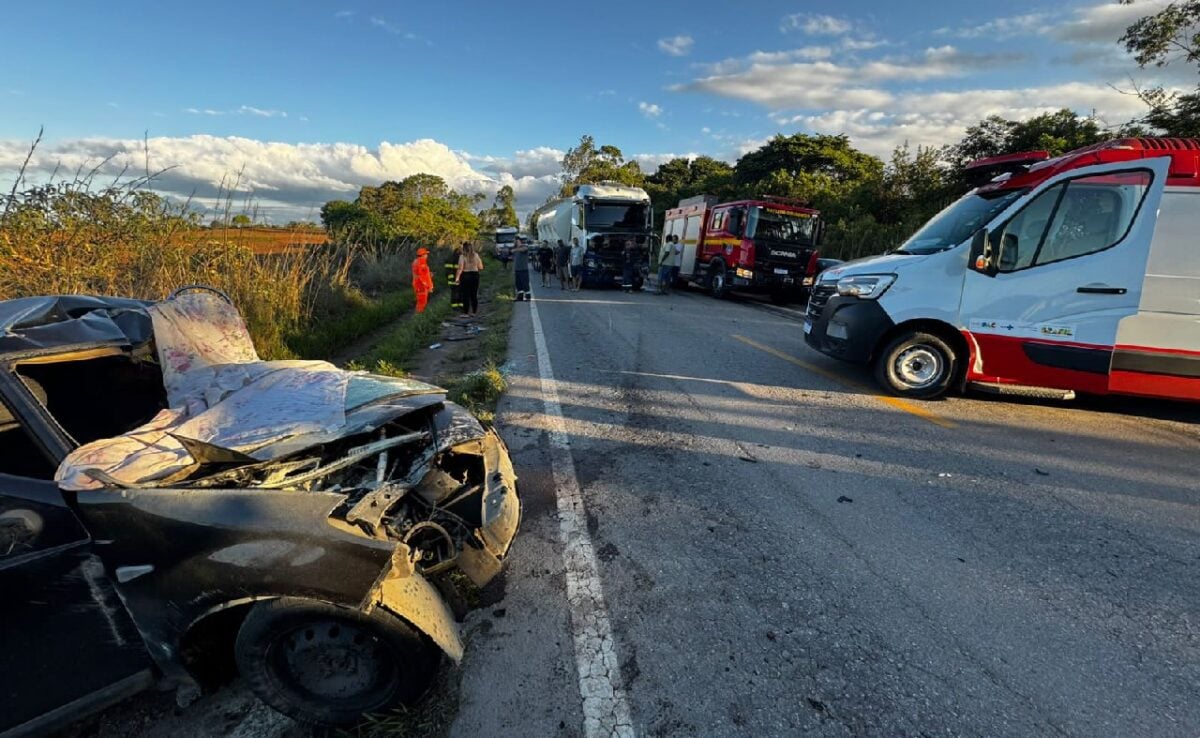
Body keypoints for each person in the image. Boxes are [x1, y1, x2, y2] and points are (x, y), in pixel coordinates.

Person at [456, 242, 483, 316]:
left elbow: (460, 268)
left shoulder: (462, 256)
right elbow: (481, 267)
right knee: (474, 294)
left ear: (464, 248)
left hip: (465, 275)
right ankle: (474, 312)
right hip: (475, 275)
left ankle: (466, 312)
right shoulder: (476, 255)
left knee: (465, 295)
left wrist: (457, 278)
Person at [412, 247, 434, 313]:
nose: (427, 256)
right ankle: (419, 318)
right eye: (426, 254)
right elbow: (423, 277)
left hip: (417, 283)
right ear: (423, 255)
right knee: (422, 302)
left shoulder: (416, 261)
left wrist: (429, 274)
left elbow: (419, 273)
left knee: (420, 301)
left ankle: (419, 316)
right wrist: (429, 286)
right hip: (421, 285)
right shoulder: (422, 263)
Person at [445, 243, 463, 311]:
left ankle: (456, 307)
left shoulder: (450, 258)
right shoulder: (459, 259)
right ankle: (459, 306)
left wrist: (450, 280)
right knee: (459, 292)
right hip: (458, 279)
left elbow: (448, 271)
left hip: (453, 279)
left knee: (455, 293)